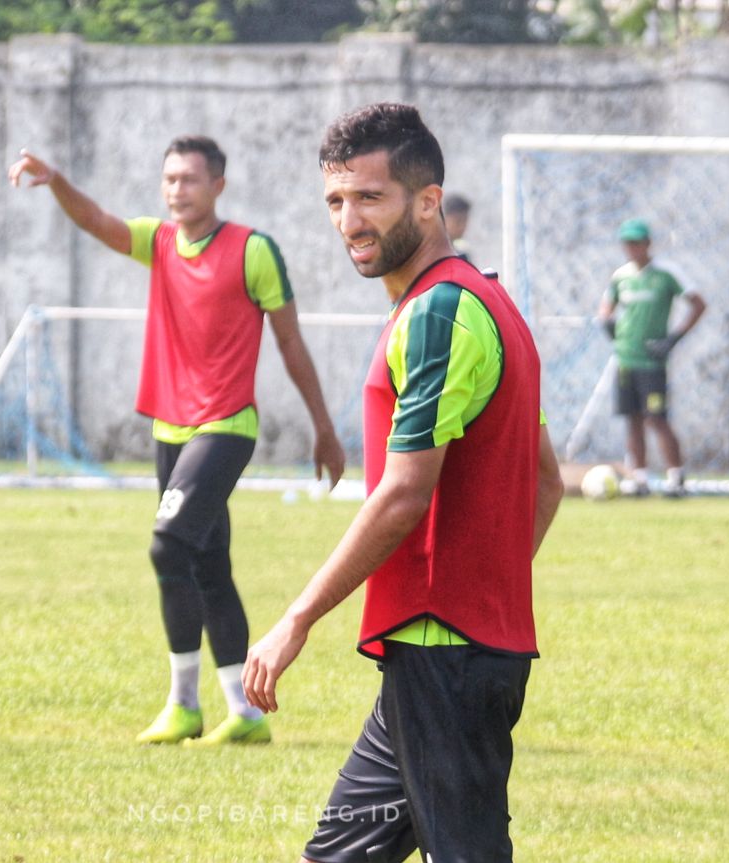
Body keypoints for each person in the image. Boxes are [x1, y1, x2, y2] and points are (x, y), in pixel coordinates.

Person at [242, 103, 564, 862]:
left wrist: (296, 618)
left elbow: (402, 493)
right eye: (335, 200)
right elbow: (544, 482)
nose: (349, 220)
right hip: (441, 652)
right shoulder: (490, 305)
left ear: (428, 201)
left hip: (445, 654)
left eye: (369, 198)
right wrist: (485, 597)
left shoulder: (439, 315)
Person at [8, 135, 346, 746]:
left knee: (168, 545)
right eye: (169, 180)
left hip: (225, 426)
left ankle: (182, 703)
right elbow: (97, 221)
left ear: (218, 185)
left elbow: (290, 343)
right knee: (208, 564)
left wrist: (323, 427)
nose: (177, 190)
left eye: (189, 179)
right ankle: (243, 715)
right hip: (169, 428)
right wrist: (56, 179)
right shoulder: (159, 243)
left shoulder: (253, 251)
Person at [597, 218, 706, 498]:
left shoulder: (666, 274)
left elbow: (697, 303)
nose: (632, 248)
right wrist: (607, 321)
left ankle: (676, 476)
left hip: (651, 362)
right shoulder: (621, 276)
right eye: (627, 243)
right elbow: (606, 308)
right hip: (626, 359)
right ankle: (639, 478)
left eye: (637, 242)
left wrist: (673, 338)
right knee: (632, 419)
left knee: (656, 418)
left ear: (647, 244)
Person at [443, 192, 474, 264]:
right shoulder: (436, 254)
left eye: (465, 221)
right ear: (444, 218)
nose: (462, 227)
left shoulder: (461, 255)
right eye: (458, 221)